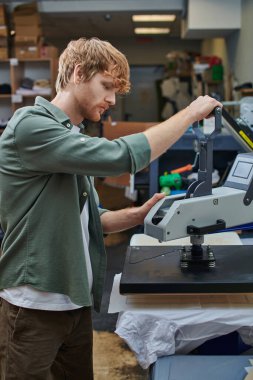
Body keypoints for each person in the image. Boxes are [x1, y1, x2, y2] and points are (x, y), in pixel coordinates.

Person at [0, 37, 222, 379]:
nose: (112, 100)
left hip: (75, 300)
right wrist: (191, 113)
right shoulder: (31, 126)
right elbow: (120, 157)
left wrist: (134, 216)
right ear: (77, 73)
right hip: (34, 304)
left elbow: (91, 217)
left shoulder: (70, 137)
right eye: (106, 86)